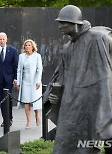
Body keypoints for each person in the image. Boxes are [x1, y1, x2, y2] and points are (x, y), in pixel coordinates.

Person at [46, 5, 112, 154]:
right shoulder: (67, 48)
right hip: (72, 102)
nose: (60, 26)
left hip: (99, 96)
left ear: (75, 24)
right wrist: (54, 95)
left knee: (105, 137)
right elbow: (60, 77)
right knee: (64, 145)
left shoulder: (98, 38)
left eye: (64, 23)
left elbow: (107, 73)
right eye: (59, 23)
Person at [0, 32, 18, 127]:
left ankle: (9, 118)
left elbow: (16, 66)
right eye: (0, 39)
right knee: (2, 99)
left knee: (8, 99)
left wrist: (15, 78)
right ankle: (5, 119)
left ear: (6, 40)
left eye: (3, 39)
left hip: (9, 79)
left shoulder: (13, 50)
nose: (2, 41)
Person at [17, 39, 43, 129]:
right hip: (25, 81)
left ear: (32, 47)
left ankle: (37, 115)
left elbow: (39, 70)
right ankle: (28, 121)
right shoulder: (21, 56)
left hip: (34, 81)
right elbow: (19, 70)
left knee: (34, 100)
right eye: (26, 45)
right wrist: (18, 82)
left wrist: (38, 81)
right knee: (26, 101)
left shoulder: (37, 56)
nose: (27, 47)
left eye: (29, 45)